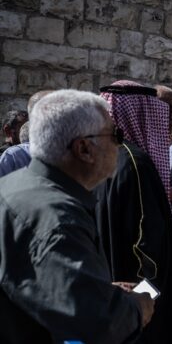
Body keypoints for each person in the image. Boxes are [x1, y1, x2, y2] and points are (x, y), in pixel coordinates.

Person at [0, 90, 154, 343]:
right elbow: (100, 323)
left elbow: (39, 283)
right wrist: (137, 307)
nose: (120, 145)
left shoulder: (14, 186)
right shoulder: (59, 217)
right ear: (84, 148)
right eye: (115, 135)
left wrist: (98, 289)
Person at [94, 81, 172, 343]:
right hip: (134, 304)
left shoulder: (100, 156)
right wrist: (146, 299)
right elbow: (148, 248)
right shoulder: (136, 163)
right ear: (142, 112)